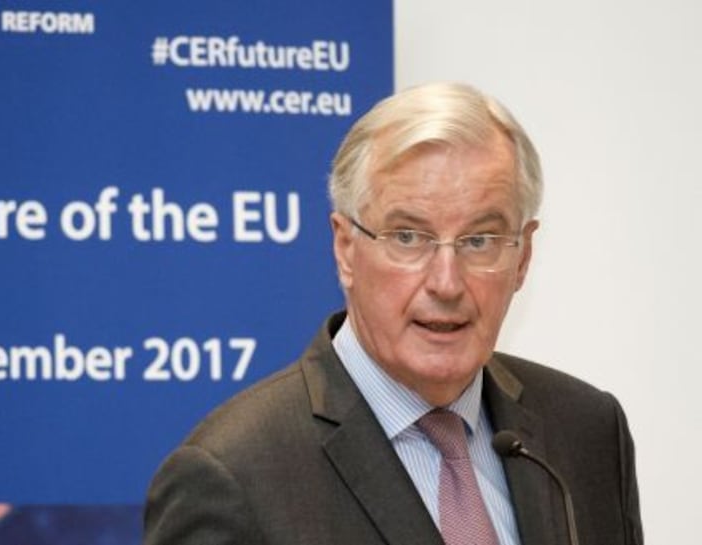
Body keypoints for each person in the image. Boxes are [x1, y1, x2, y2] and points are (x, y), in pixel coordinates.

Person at [143, 82, 643, 545]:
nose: (446, 282)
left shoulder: (586, 432)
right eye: (408, 237)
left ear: (523, 257)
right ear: (345, 248)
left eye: (480, 240)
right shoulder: (233, 475)